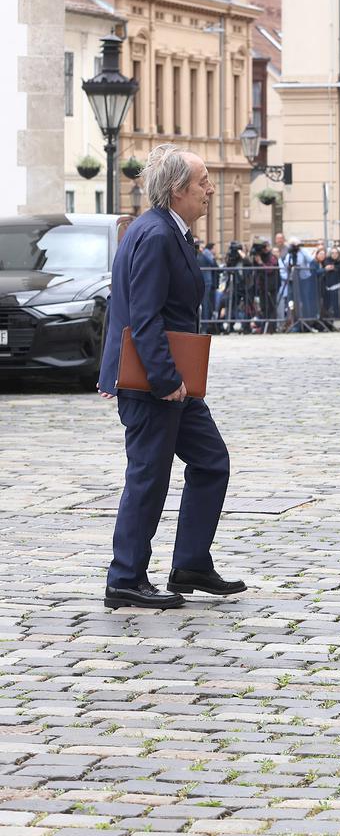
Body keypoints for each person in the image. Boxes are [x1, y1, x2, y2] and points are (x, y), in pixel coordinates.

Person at [97, 145, 246, 610]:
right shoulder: (157, 234)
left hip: (173, 379)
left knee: (211, 461)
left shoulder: (166, 230)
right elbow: (144, 316)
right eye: (203, 182)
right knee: (148, 476)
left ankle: (191, 564)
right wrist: (164, 379)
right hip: (155, 382)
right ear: (178, 189)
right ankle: (125, 578)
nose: (210, 189)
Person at [196, 241, 219, 333]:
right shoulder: (195, 254)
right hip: (198, 281)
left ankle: (205, 327)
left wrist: (205, 253)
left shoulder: (205, 254)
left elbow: (213, 263)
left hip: (206, 282)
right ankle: (201, 326)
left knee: (205, 304)